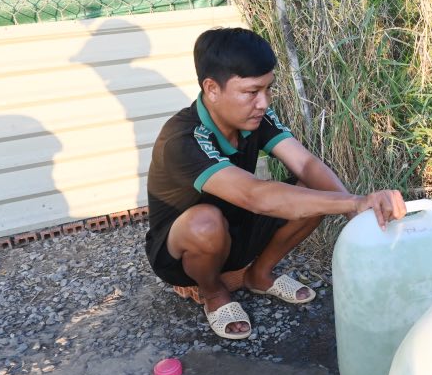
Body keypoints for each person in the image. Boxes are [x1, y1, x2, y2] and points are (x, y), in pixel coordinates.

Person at [145, 27, 406, 340]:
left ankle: (258, 274)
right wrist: (352, 203)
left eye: (268, 89)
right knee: (205, 222)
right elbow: (254, 196)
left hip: (237, 229)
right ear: (212, 89)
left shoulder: (256, 119)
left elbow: (306, 164)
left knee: (314, 189)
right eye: (252, 92)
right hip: (182, 253)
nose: (264, 102)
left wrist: (354, 207)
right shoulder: (182, 139)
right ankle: (213, 293)